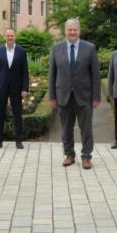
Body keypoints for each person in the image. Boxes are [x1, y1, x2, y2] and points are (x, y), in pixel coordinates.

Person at [49, 18, 101, 169]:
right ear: (65, 31)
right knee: (66, 128)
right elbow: (52, 74)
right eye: (70, 30)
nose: (72, 32)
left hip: (84, 96)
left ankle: (86, 157)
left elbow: (95, 75)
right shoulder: (56, 48)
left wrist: (96, 96)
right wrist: (52, 96)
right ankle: (69, 155)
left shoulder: (89, 48)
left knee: (86, 129)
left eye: (75, 30)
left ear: (79, 31)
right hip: (63, 96)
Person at [0, 28, 29, 149]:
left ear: (15, 37)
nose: (9, 38)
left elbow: (25, 72)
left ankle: (18, 140)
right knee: (0, 114)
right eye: (7, 36)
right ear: (4, 37)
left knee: (17, 114)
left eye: (11, 36)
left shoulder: (21, 52)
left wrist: (25, 88)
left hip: (17, 88)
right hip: (1, 88)